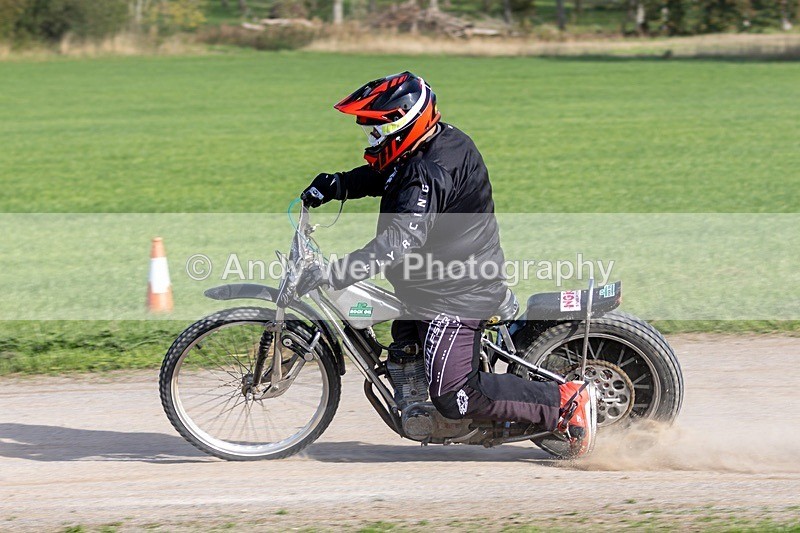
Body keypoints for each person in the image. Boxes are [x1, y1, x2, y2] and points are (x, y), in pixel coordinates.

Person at [298, 71, 596, 456]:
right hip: (438, 283)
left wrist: (333, 273)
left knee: (455, 395)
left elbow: (396, 244)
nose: (371, 138)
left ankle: (566, 403)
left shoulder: (428, 171)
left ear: (401, 121)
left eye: (375, 129)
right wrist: (340, 184)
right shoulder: (436, 143)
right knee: (404, 350)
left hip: (457, 293)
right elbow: (391, 177)